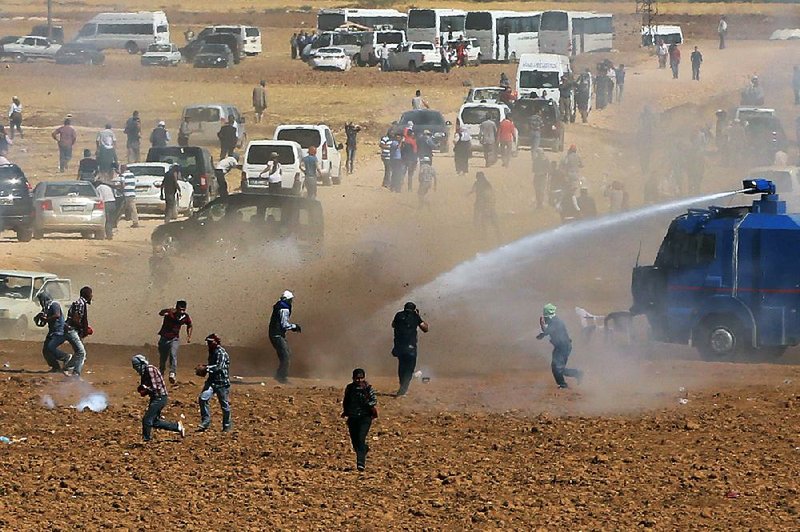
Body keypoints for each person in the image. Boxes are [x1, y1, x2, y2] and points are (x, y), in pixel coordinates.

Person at [131, 354, 185, 442]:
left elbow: (156, 388)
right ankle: (177, 426)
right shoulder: (144, 373)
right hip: (155, 398)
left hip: (160, 397)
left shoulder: (150, 369)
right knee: (154, 422)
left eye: (137, 366)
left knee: (147, 419)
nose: (136, 369)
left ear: (142, 363)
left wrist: (146, 389)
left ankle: (146, 440)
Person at [536, 304, 583, 389]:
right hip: (561, 347)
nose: (545, 319)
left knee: (557, 367)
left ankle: (564, 384)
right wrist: (542, 334)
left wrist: (542, 326)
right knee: (558, 367)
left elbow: (548, 330)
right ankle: (576, 374)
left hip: (563, 348)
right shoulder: (554, 321)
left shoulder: (555, 322)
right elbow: (548, 331)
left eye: (545, 317)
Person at [341, 368, 378, 471]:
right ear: (353, 378)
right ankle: (364, 449)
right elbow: (346, 401)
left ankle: (361, 463)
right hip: (353, 418)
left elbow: (374, 400)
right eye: (357, 378)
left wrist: (366, 404)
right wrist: (346, 411)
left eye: (361, 378)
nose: (359, 380)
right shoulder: (350, 388)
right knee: (355, 442)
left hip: (365, 418)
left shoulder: (368, 388)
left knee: (361, 438)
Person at [391, 302, 429, 396]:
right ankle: (403, 389)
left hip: (399, 347)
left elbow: (393, 325)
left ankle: (402, 387)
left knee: (402, 367)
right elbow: (425, 329)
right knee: (409, 369)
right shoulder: (415, 316)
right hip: (410, 347)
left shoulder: (398, 315)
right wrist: (418, 316)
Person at [197, 333, 232, 433]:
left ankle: (227, 425)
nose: (208, 344)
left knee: (224, 405)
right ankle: (206, 421)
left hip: (222, 383)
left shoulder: (221, 352)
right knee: (202, 399)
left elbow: (218, 367)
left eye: (210, 342)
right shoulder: (212, 351)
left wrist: (206, 368)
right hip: (212, 382)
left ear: (216, 342)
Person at [157, 300, 193, 384]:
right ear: (176, 308)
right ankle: (161, 374)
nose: (182, 311)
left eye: (183, 310)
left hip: (174, 338)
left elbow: (190, 325)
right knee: (163, 358)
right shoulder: (170, 313)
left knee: (173, 354)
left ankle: (172, 373)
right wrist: (167, 310)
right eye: (180, 309)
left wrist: (189, 336)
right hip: (164, 338)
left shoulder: (185, 316)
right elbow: (161, 313)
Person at [269, 290, 301, 384]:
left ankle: (280, 375)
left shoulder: (280, 306)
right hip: (277, 335)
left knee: (286, 354)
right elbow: (284, 325)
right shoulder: (284, 309)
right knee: (286, 356)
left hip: (276, 334)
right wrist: (294, 326)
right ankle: (281, 377)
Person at [37, 291, 71, 373]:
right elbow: (43, 322)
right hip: (52, 332)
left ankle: (65, 357)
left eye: (41, 299)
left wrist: (46, 319)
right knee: (45, 351)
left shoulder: (54, 304)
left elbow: (57, 315)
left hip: (59, 331)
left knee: (50, 347)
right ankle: (55, 367)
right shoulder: (47, 308)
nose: (40, 302)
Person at [63, 286, 93, 378]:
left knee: (79, 353)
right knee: (81, 353)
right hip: (71, 330)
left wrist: (84, 328)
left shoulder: (80, 303)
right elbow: (76, 320)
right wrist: (84, 329)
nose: (92, 296)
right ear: (87, 295)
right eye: (91, 294)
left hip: (70, 330)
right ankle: (76, 374)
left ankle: (66, 368)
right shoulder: (80, 303)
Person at [468, 171, 501, 238]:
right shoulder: (487, 183)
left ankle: (484, 234)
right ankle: (498, 233)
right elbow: (491, 193)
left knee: (481, 219)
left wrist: (468, 193)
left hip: (481, 203)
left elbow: (473, 190)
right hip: (487, 203)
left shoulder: (477, 183)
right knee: (491, 219)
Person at [401, 123, 418, 189]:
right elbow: (415, 151)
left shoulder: (404, 141)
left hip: (404, 159)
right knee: (410, 175)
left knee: (402, 173)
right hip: (411, 160)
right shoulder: (413, 142)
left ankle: (399, 187)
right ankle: (409, 188)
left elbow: (401, 149)